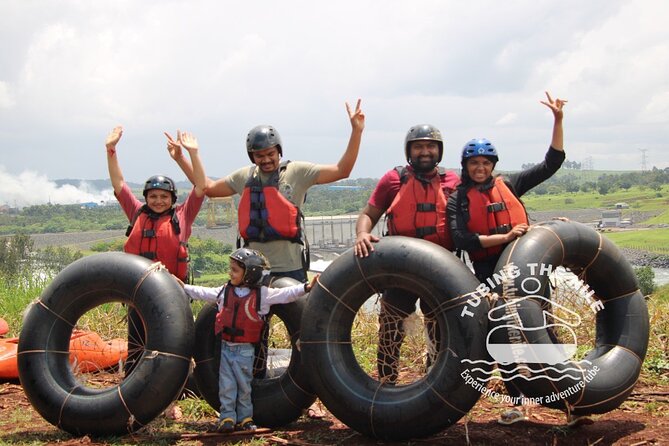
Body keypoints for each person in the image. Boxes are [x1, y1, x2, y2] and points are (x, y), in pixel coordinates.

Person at [173, 100, 364, 407]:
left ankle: (309, 399)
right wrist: (188, 157)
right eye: (259, 155)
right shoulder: (242, 178)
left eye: (270, 153)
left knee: (304, 336)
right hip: (253, 273)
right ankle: (255, 395)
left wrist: (356, 131)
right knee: (251, 333)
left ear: (279, 151)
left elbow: (343, 170)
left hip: (290, 269)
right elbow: (207, 187)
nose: (265, 159)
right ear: (252, 157)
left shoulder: (298, 173)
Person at [446, 91, 581, 426]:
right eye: (474, 163)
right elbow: (459, 237)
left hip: (526, 270)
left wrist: (558, 119)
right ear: (466, 167)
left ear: (492, 165)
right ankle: (517, 404)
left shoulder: (511, 184)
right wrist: (503, 237)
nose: (480, 168)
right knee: (504, 338)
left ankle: (568, 405)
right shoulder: (458, 199)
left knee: (545, 332)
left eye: (485, 163)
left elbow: (552, 163)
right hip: (490, 273)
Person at [354, 124, 460, 384]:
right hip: (401, 266)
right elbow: (368, 214)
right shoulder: (394, 179)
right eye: (419, 147)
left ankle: (434, 381)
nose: (425, 151)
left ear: (439, 150)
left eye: (430, 146)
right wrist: (362, 234)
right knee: (391, 325)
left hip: (440, 266)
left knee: (439, 327)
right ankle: (386, 381)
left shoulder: (453, 181)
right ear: (409, 151)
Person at [179, 248, 319, 433]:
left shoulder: (262, 296)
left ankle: (245, 418)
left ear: (250, 274)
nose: (230, 273)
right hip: (226, 349)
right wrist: (182, 287)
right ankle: (227, 417)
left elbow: (285, 295)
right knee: (226, 385)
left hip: (245, 351)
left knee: (244, 386)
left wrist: (306, 288)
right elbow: (203, 292)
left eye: (235, 270)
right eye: (231, 269)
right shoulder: (224, 292)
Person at [105, 126, 207, 380]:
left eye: (163, 196)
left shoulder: (183, 215)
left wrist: (191, 154)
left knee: (172, 345)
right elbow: (119, 183)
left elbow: (201, 186)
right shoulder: (137, 212)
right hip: (139, 291)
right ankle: (133, 391)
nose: (158, 200)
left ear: (172, 198)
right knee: (137, 343)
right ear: (146, 198)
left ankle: (176, 392)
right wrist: (111, 150)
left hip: (173, 291)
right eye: (153, 196)